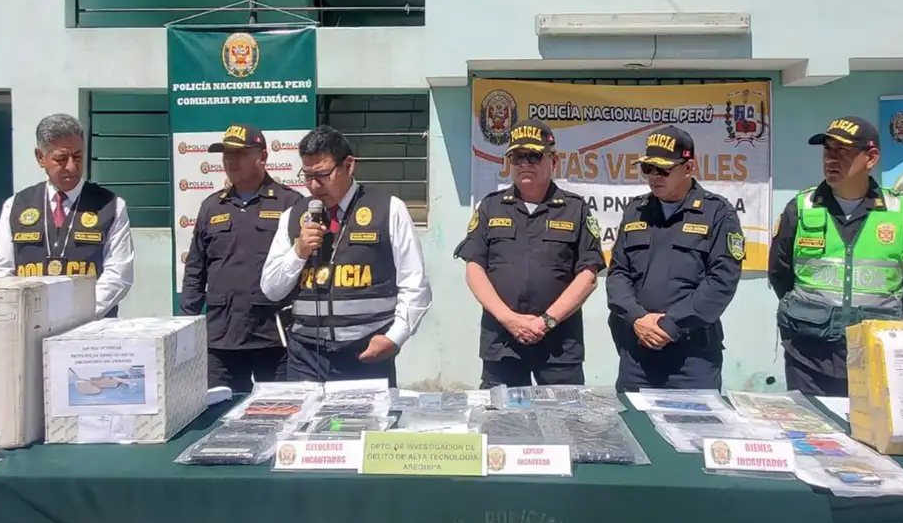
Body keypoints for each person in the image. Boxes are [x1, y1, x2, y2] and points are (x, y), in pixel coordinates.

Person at [769, 116, 903, 397]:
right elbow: (780, 274)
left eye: (842, 151)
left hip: (874, 355)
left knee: (868, 437)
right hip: (809, 354)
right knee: (812, 437)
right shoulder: (801, 208)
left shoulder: (901, 213)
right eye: (827, 150)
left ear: (871, 158)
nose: (831, 159)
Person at [260, 125, 431, 386]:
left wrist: (394, 338)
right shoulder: (294, 217)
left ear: (349, 166)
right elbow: (271, 289)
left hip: (366, 354)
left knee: (363, 426)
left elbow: (415, 284)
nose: (314, 186)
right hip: (305, 357)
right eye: (307, 176)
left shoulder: (388, 209)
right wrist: (299, 251)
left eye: (323, 175)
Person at [454, 119, 605, 388]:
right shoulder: (491, 207)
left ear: (553, 159)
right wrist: (508, 319)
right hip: (502, 342)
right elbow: (474, 268)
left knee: (565, 423)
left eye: (534, 156)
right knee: (502, 424)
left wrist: (546, 322)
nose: (525, 164)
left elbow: (588, 275)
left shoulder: (575, 209)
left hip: (559, 344)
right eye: (517, 157)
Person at [607, 126, 744, 392]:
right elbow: (618, 274)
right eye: (647, 169)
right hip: (637, 352)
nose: (654, 177)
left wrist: (669, 325)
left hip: (692, 357)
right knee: (636, 429)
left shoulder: (717, 213)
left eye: (663, 170)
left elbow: (721, 282)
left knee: (694, 430)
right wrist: (637, 318)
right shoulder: (636, 211)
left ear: (689, 167)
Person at [180, 124, 303, 392]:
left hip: (273, 335)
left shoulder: (289, 203)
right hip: (221, 338)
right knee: (219, 416)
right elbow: (195, 269)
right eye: (226, 154)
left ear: (263, 156)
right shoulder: (212, 206)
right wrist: (187, 320)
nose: (230, 160)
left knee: (279, 412)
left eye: (239, 153)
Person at [0, 113, 134, 317]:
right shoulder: (16, 206)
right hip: (29, 325)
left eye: (78, 156)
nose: (72, 167)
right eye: (61, 158)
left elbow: (119, 276)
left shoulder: (111, 206)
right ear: (40, 157)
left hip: (90, 329)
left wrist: (74, 315)